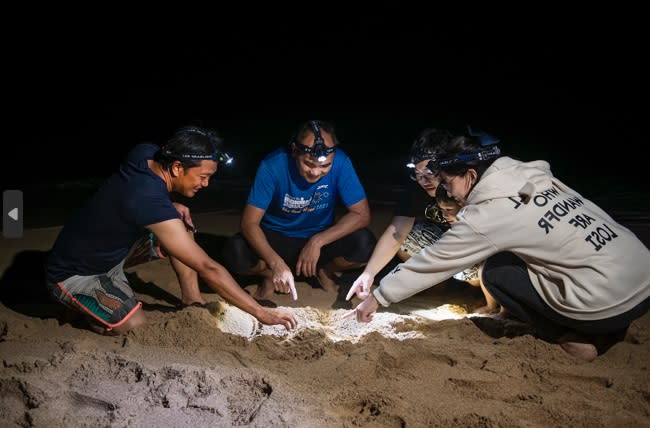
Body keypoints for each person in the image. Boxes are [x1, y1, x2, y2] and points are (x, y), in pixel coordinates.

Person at [347, 128, 649, 362]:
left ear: (470, 176)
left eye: (449, 185)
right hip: (641, 274)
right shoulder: (530, 174)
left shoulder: (490, 212)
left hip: (608, 302)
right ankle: (609, 327)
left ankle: (586, 338)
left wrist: (379, 297)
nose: (450, 193)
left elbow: (437, 259)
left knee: (496, 272)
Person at [45, 125, 298, 335]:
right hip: (75, 274)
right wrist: (262, 313)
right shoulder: (148, 200)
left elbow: (131, 195)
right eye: (202, 177)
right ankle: (80, 311)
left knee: (181, 225)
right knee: (134, 325)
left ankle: (192, 299)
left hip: (112, 251)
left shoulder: (147, 153)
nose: (206, 184)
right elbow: (208, 267)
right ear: (177, 168)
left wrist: (171, 204)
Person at [222, 120, 376, 307]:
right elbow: (249, 224)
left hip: (320, 237)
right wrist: (275, 263)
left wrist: (317, 241)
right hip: (276, 237)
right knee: (235, 252)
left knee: (365, 243)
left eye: (325, 166)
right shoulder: (272, 165)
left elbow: (361, 214)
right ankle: (269, 276)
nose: (315, 172)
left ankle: (324, 271)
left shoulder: (342, 162)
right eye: (308, 163)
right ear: (295, 150)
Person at [344, 128, 453, 301]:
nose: (424, 181)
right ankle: (440, 283)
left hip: (471, 241)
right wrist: (368, 274)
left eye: (430, 173)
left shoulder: (463, 184)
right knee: (408, 238)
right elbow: (397, 233)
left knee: (479, 270)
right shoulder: (415, 187)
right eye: (418, 174)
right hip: (447, 240)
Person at [435, 184, 500, 314]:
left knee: (486, 266)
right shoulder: (458, 223)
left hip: (496, 266)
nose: (444, 215)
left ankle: (494, 306)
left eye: (449, 209)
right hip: (477, 267)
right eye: (442, 210)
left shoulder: (479, 222)